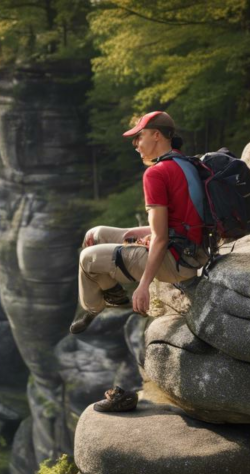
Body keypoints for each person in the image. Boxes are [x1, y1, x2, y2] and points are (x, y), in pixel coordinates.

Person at [70, 111, 208, 334]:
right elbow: (186, 221)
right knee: (95, 234)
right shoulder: (185, 163)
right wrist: (140, 232)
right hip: (193, 250)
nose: (135, 143)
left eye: (139, 136)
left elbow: (161, 238)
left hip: (178, 263)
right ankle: (114, 295)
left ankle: (94, 307)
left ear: (156, 135)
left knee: (87, 258)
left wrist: (143, 286)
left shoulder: (156, 174)